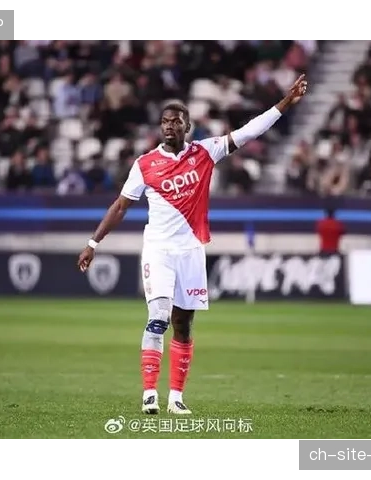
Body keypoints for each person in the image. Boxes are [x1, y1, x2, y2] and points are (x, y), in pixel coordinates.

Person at [77, 74, 308, 415]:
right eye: (165, 121)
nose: (169, 126)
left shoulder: (205, 152)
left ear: (187, 126)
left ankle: (176, 398)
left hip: (191, 251)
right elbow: (120, 206)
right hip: (158, 250)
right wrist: (93, 243)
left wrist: (285, 103)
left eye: (176, 121)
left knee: (183, 326)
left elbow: (249, 132)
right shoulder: (144, 165)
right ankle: (149, 393)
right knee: (158, 317)